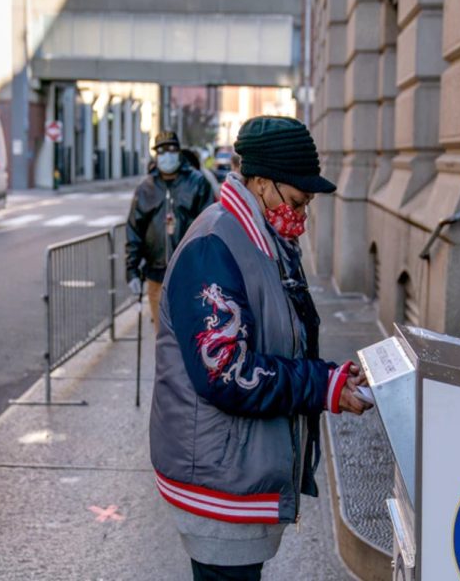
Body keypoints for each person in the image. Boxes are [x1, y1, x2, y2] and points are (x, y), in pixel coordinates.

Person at [149, 116, 373, 580]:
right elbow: (227, 372)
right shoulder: (214, 245)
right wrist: (320, 385)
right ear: (261, 182)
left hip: (235, 470)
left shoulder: (263, 238)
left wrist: (332, 378)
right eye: (297, 201)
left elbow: (282, 336)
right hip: (218, 481)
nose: (302, 215)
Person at [126, 130, 215, 333]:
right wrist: (131, 270)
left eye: (172, 149)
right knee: (163, 336)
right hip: (156, 275)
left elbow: (210, 226)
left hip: (190, 274)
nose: (167, 155)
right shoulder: (145, 188)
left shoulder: (197, 182)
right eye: (161, 151)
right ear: (156, 155)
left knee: (189, 335)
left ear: (179, 152)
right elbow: (134, 230)